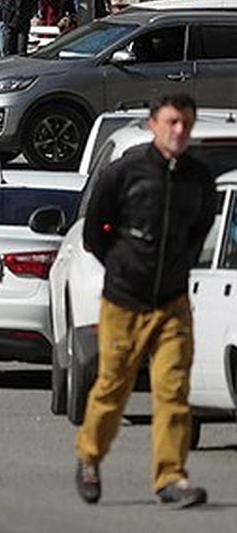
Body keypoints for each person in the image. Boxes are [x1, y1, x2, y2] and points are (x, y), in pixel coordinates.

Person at [74, 94, 216, 510]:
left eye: (186, 124)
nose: (179, 131)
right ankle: (89, 458)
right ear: (154, 124)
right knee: (112, 388)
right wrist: (123, 267)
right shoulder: (125, 172)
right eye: (172, 122)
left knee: (173, 390)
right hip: (124, 302)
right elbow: (96, 233)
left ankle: (171, 477)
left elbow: (200, 230)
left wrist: (178, 267)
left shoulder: (198, 178)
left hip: (172, 303)